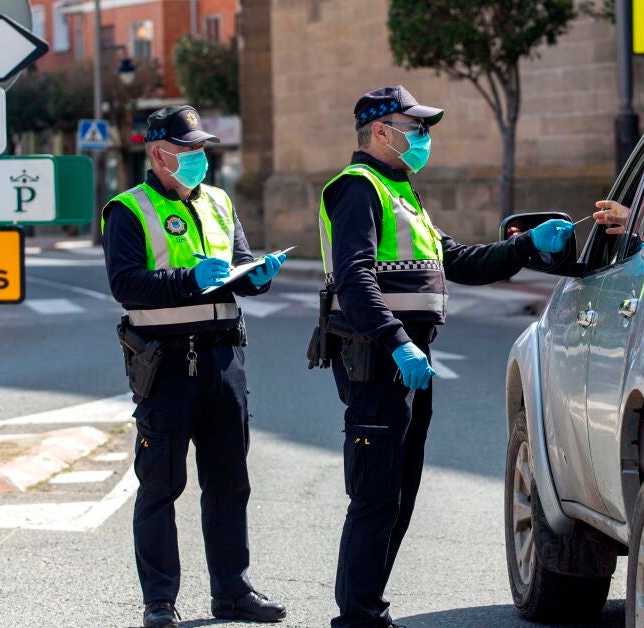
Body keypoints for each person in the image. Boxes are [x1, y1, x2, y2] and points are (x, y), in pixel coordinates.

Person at [317, 85, 577, 628]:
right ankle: (357, 617)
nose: (423, 137)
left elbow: (458, 260)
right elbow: (354, 277)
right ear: (381, 131)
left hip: (407, 360)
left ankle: (367, 610)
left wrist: (527, 245)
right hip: (379, 358)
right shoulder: (357, 188)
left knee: (399, 494)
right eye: (414, 127)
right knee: (376, 496)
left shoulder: (401, 192)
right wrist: (396, 340)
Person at [102, 105, 288, 627]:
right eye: (186, 150)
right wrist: (190, 279)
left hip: (224, 358)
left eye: (200, 148)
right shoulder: (128, 209)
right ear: (158, 153)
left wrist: (257, 276)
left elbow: (239, 265)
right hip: (165, 363)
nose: (197, 158)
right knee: (161, 486)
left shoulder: (219, 201)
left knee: (230, 482)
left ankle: (233, 593)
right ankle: (160, 600)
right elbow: (125, 283)